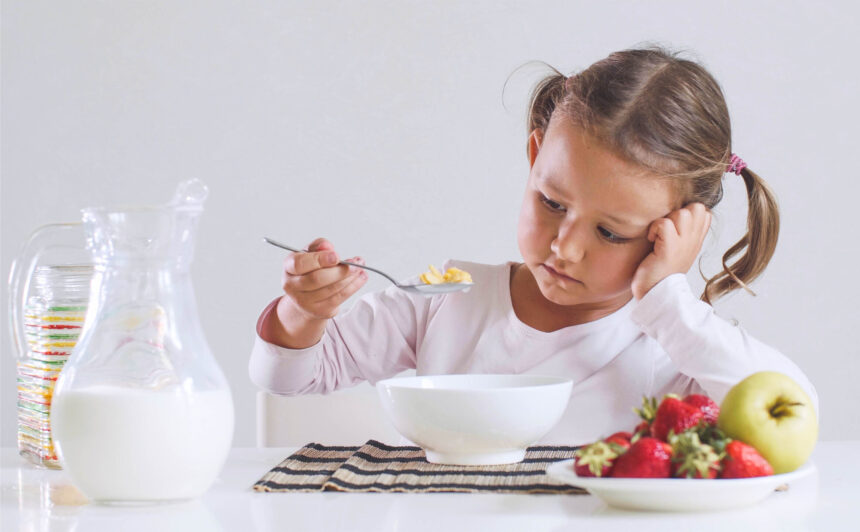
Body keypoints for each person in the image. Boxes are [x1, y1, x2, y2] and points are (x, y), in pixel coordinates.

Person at [249, 46, 817, 444]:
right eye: (552, 203)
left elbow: (797, 411)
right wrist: (304, 313)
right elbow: (288, 378)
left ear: (674, 233)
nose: (565, 248)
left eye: (610, 232)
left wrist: (669, 301)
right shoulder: (449, 299)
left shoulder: (672, 343)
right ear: (534, 157)